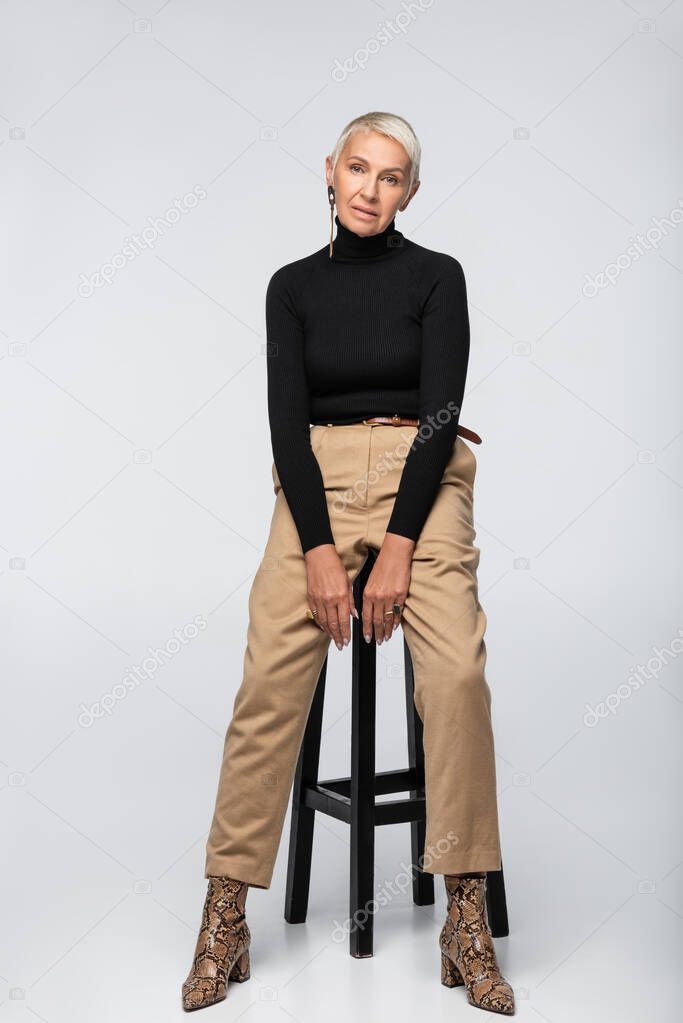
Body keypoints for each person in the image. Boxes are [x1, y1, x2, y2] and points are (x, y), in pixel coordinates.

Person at [181, 111, 515, 1016]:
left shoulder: (436, 278)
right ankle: (225, 915)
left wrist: (402, 543)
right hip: (316, 481)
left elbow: (442, 413)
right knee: (267, 681)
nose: (370, 189)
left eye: (392, 175)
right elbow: (284, 426)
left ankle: (464, 913)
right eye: (358, 169)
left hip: (424, 475)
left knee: (454, 675)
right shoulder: (289, 287)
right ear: (328, 172)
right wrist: (320, 551)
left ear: (412, 189)